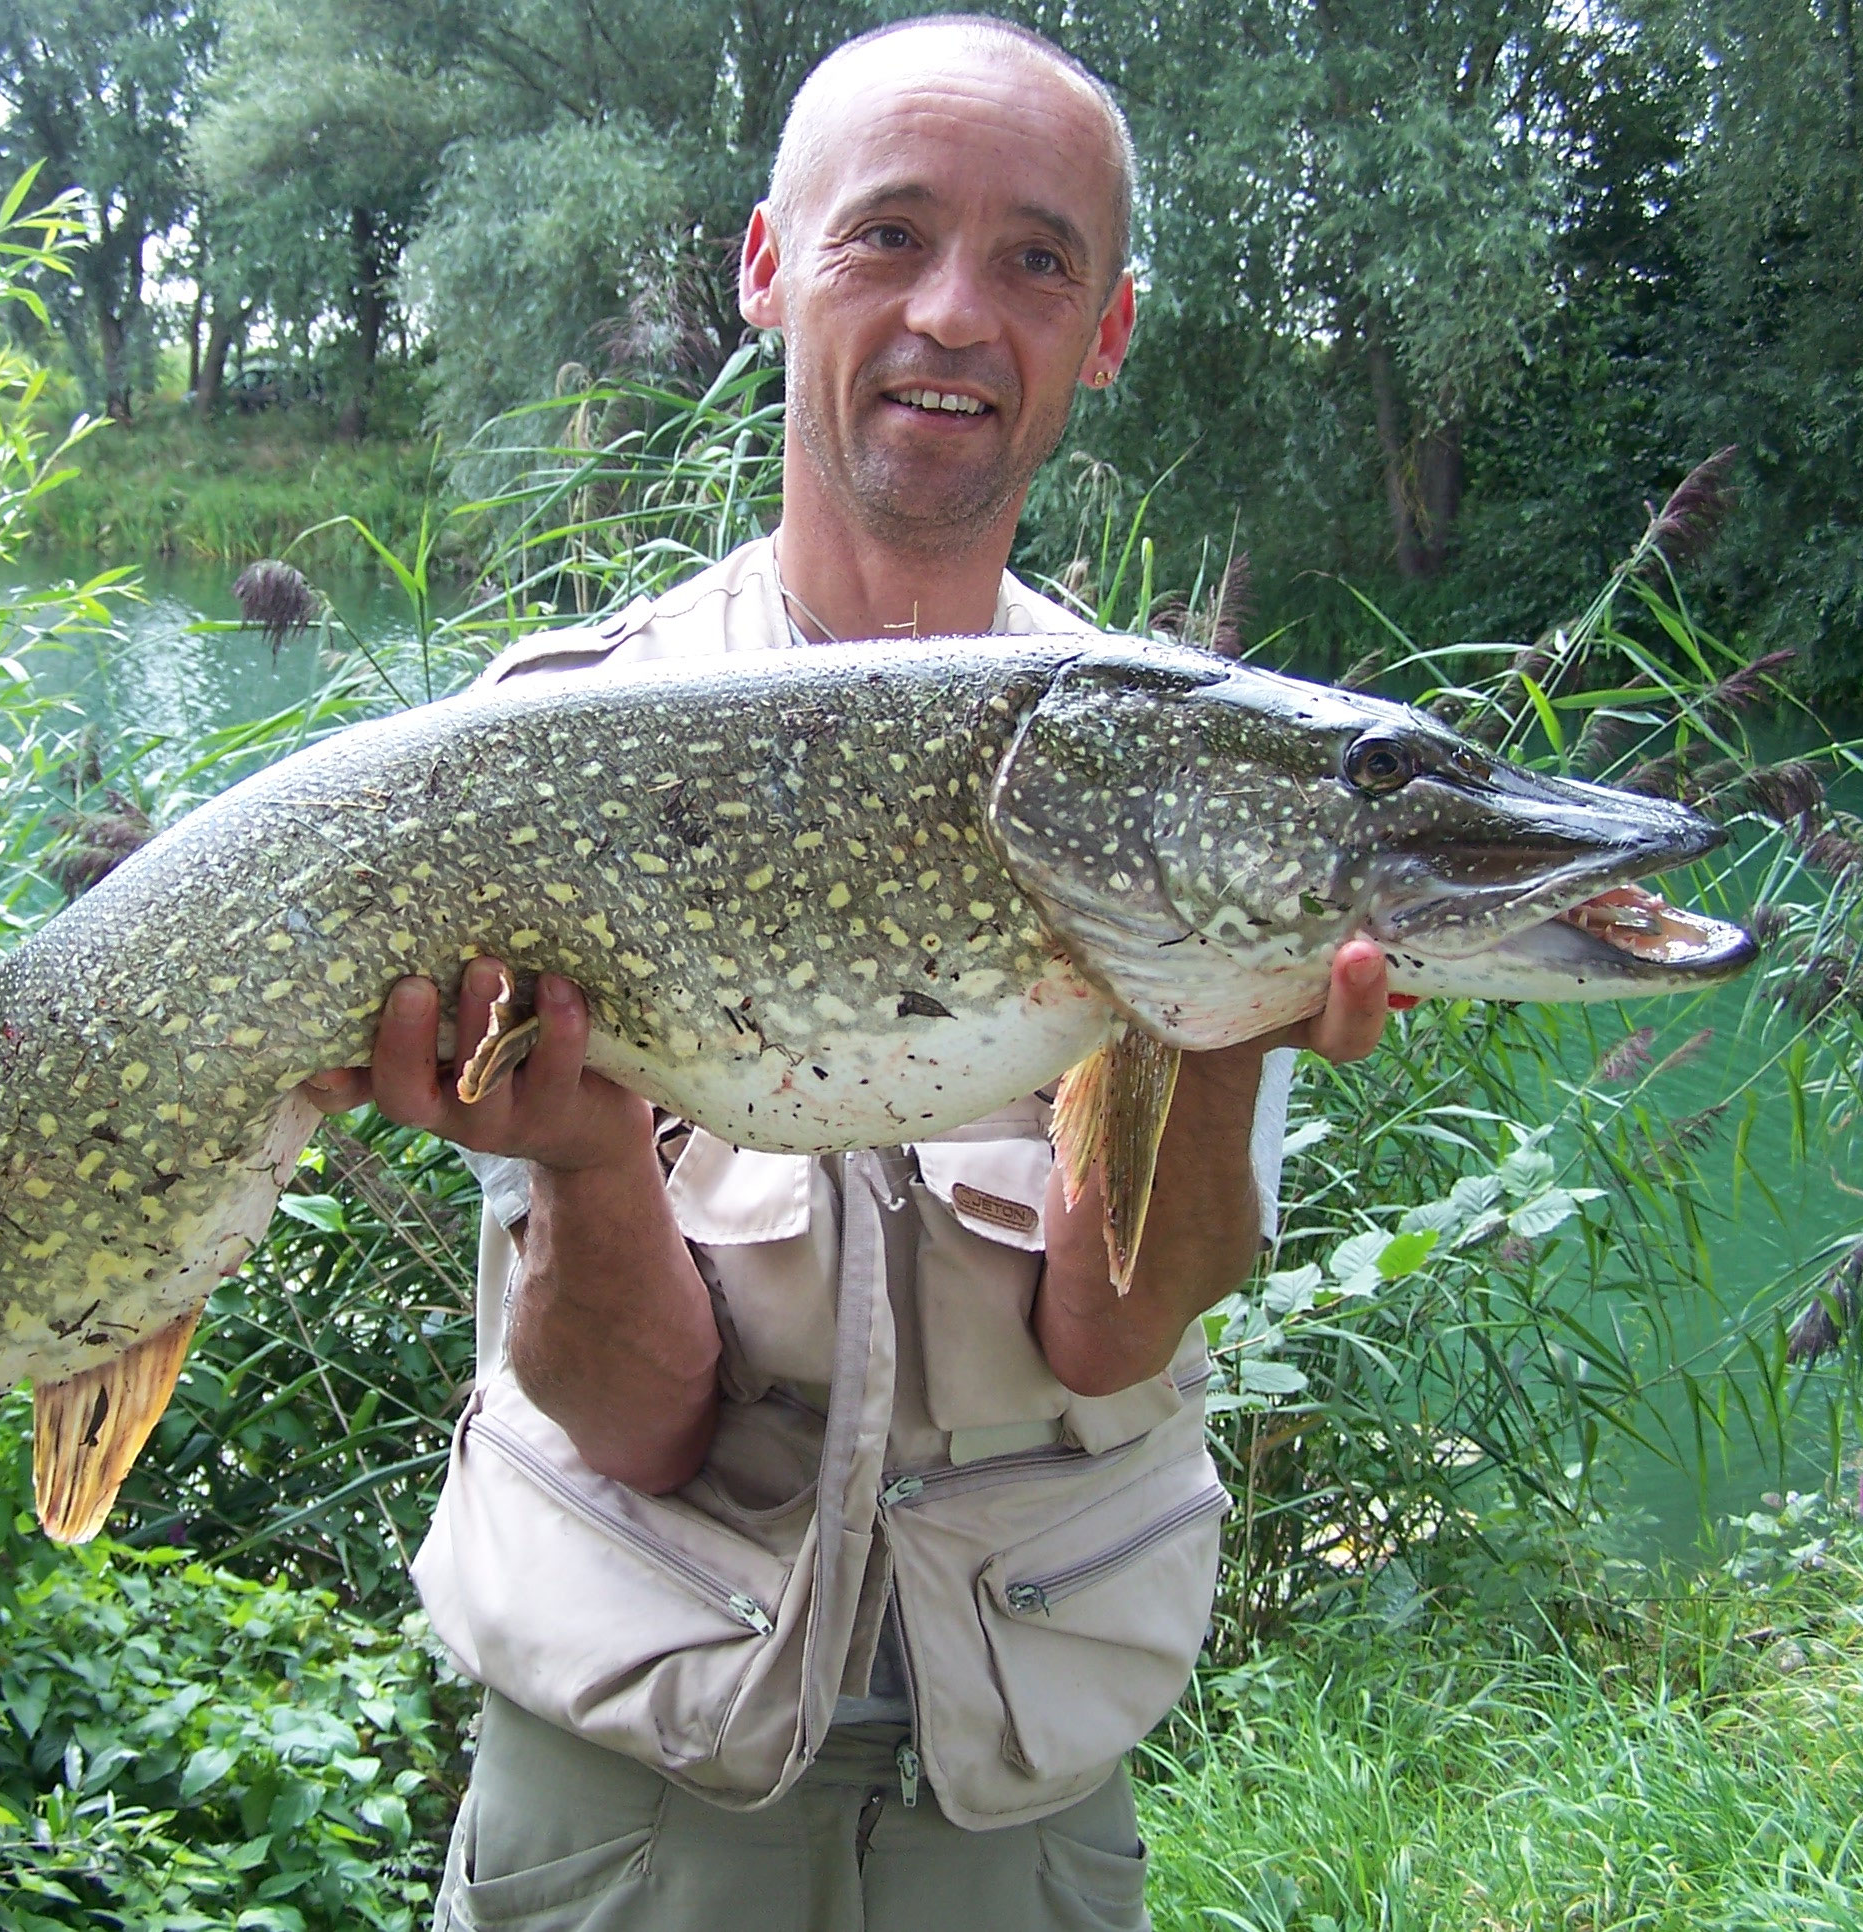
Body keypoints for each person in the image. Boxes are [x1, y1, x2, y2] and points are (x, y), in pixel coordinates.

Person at [299, 17, 1389, 1929]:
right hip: (638, 1803)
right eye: (888, 234)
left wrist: (1212, 1047)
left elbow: (1107, 1340)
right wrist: (577, 1157)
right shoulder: (556, 755)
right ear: (767, 264)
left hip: (1014, 1804)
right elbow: (634, 1426)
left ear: (1105, 331)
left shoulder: (1178, 774)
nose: (958, 313)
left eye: (1037, 259)